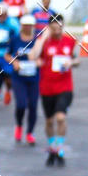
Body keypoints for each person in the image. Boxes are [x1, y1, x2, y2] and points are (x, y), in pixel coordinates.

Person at [29, 14, 78, 167]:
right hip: (47, 88)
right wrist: (43, 38)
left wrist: (71, 62)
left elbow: (77, 59)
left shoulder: (69, 41)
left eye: (60, 28)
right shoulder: (43, 42)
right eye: (54, 29)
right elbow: (32, 56)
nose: (57, 31)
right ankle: (52, 147)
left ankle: (60, 147)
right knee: (49, 121)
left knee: (61, 118)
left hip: (65, 87)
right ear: (49, 28)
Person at [4, 14, 39, 145]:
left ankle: (30, 132)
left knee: (33, 106)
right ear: (22, 26)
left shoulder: (37, 41)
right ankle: (19, 125)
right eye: (25, 26)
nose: (28, 28)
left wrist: (39, 61)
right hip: (19, 77)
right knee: (21, 104)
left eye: (30, 26)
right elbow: (7, 55)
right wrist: (14, 62)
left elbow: (43, 55)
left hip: (34, 77)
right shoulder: (15, 39)